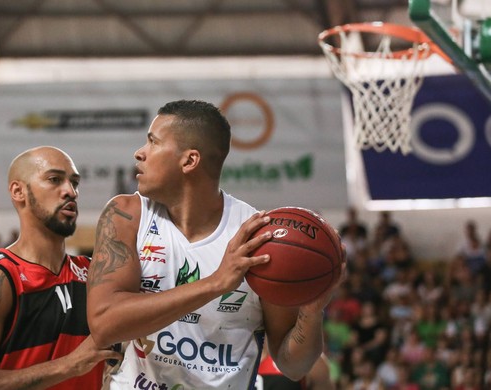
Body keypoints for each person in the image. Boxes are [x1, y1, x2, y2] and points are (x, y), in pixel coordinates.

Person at [87, 99, 346, 388]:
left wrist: (312, 312)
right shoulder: (126, 215)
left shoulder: (258, 237)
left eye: (153, 142)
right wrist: (216, 283)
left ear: (189, 160)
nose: (140, 153)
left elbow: (292, 365)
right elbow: (104, 325)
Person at [0, 146, 120, 389]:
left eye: (74, 183)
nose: (70, 191)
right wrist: (67, 366)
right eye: (54, 180)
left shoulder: (93, 274)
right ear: (19, 191)